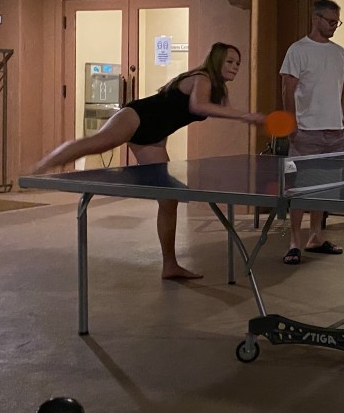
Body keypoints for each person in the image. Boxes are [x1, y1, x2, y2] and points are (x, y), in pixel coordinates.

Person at [32, 43, 265, 280]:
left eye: (238, 63)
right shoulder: (202, 78)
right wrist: (247, 116)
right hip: (137, 116)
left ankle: (170, 265)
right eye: (230, 61)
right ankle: (41, 167)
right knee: (97, 143)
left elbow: (221, 110)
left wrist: (253, 119)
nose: (235, 67)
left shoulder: (218, 90)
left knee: (169, 198)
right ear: (216, 61)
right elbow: (198, 106)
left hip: (154, 137)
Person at [279, 0, 344, 265]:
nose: (333, 26)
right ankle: (294, 241)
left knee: (325, 188)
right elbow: (287, 88)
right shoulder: (298, 50)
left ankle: (316, 237)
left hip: (335, 131)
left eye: (337, 22)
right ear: (316, 18)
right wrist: (291, 123)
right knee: (300, 188)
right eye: (330, 21)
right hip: (307, 130)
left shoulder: (339, 52)